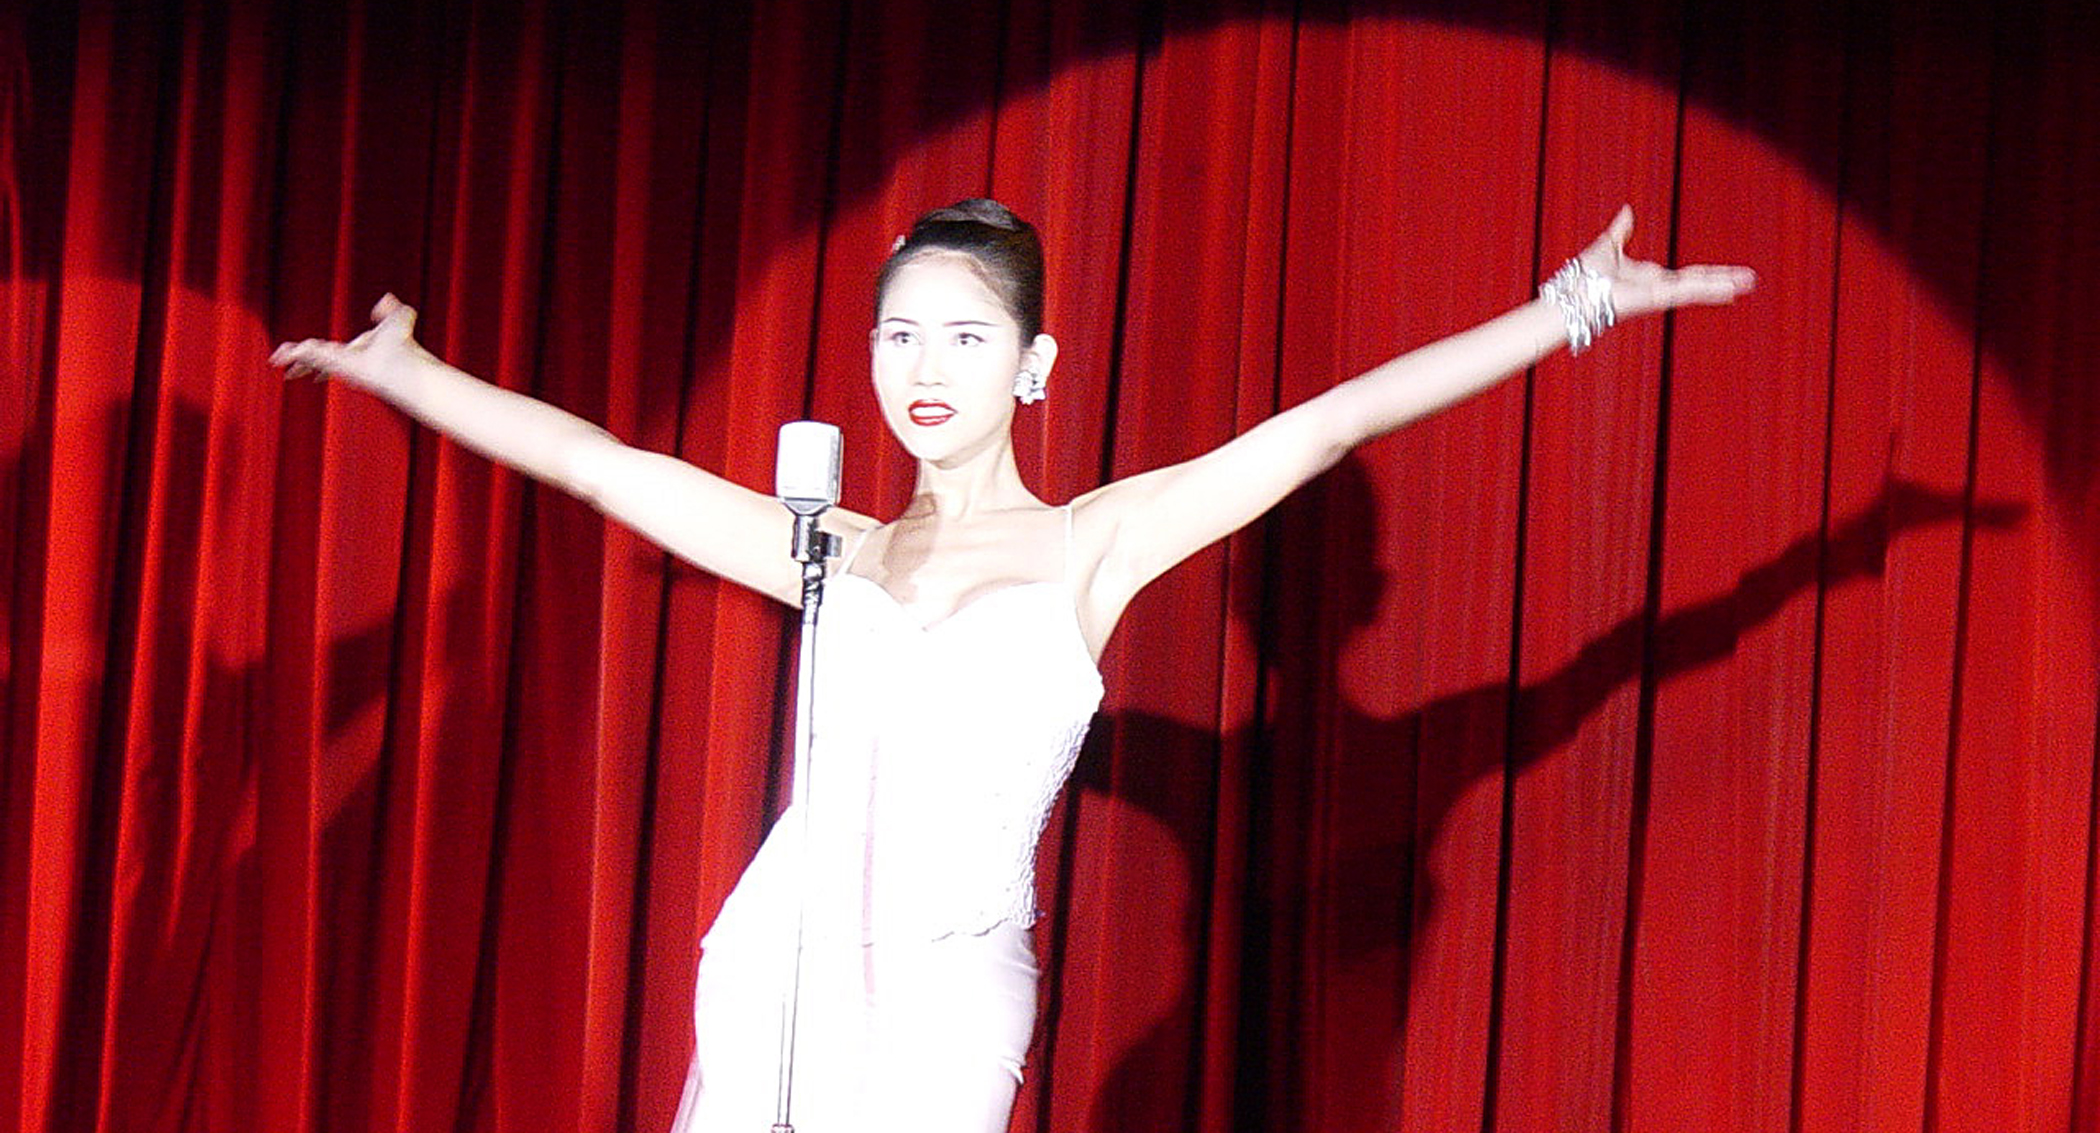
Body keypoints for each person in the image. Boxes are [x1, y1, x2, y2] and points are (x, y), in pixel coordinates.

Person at [271, 199, 1753, 1132]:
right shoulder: (830, 550)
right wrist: (411, 374)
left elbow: (1329, 426)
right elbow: (606, 468)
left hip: (953, 982)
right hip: (780, 960)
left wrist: (1569, 309)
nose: (925, 367)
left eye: (966, 337)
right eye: (899, 336)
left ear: (1034, 366)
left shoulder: (1092, 545)